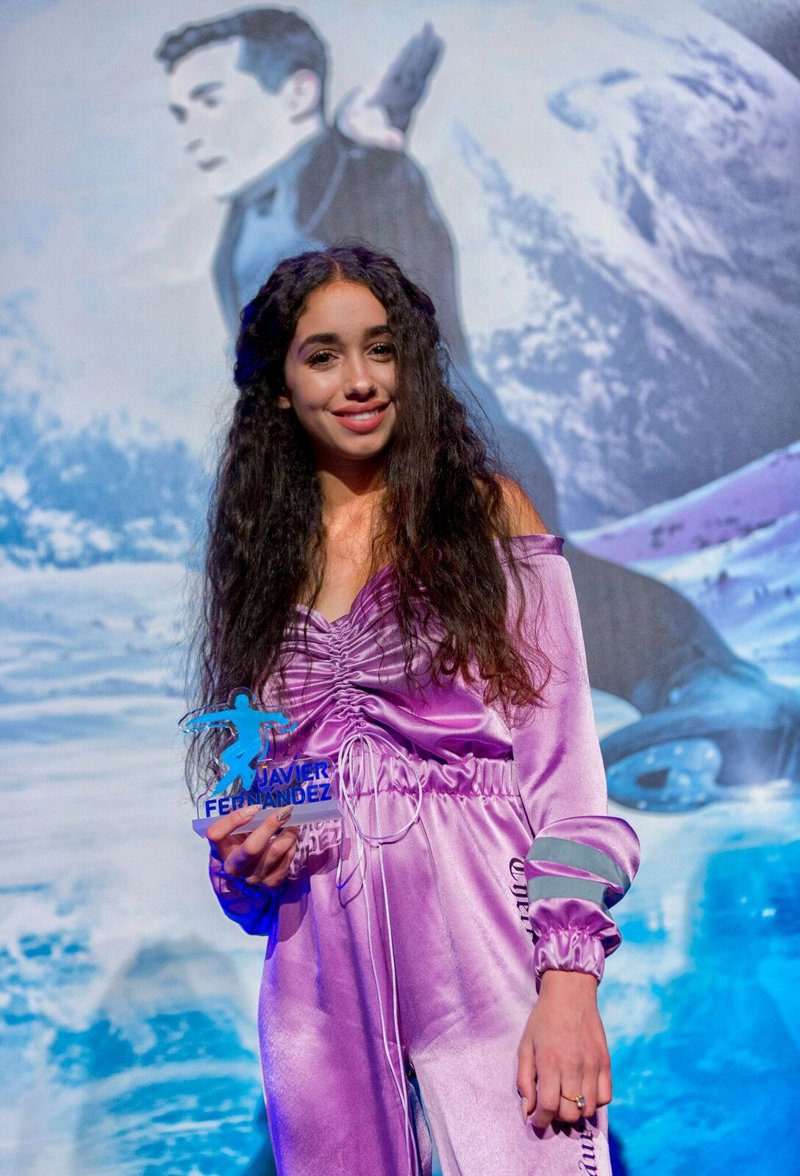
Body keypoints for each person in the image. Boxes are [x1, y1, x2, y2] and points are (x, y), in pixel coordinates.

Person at [161, 7, 800, 812]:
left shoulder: (353, 174)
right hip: (367, 487)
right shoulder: (241, 229)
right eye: (180, 112)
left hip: (442, 459)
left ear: (295, 94)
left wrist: (371, 141)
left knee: (518, 604)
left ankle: (720, 693)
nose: (191, 131)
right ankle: (709, 695)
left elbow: (387, 262)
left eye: (210, 100)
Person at [189, 245, 640, 1176]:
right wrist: (246, 862)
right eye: (323, 356)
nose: (359, 380)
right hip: (318, 968)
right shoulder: (261, 559)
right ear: (279, 388)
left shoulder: (485, 513)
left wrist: (568, 983)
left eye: (381, 348)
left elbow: (564, 772)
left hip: (483, 938)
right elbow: (279, 796)